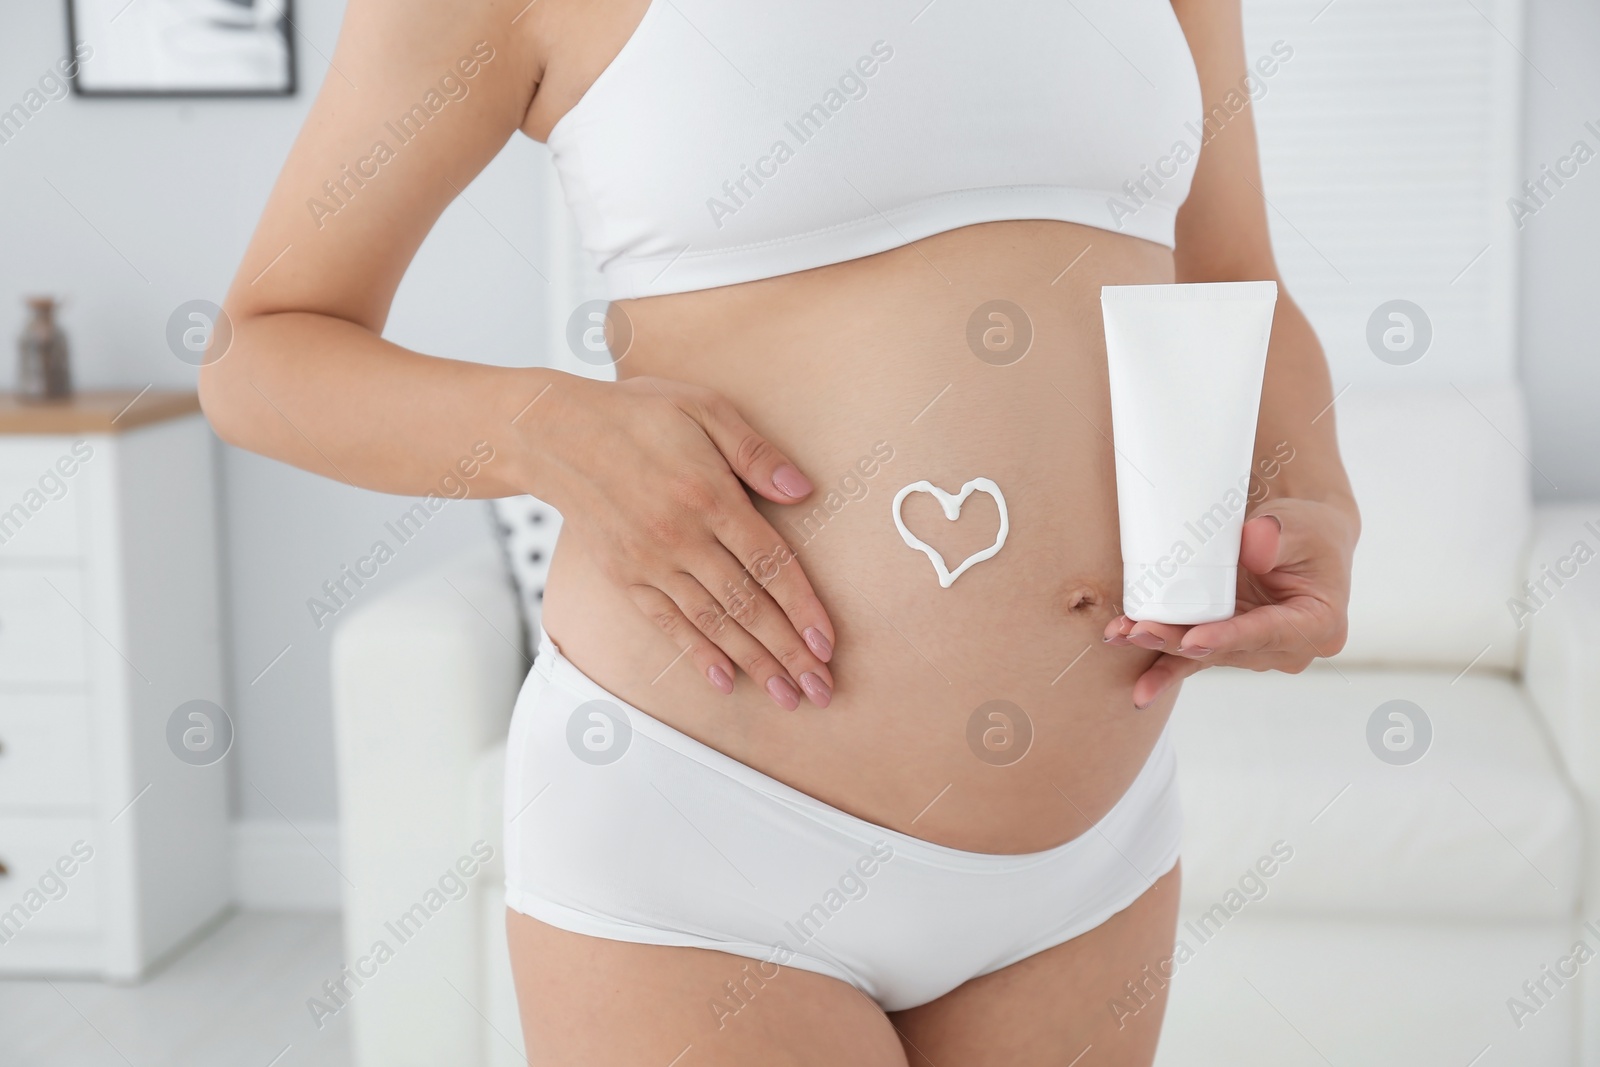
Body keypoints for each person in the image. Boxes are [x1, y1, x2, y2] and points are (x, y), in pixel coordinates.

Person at [201, 0, 1359, 1062]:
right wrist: (546, 426)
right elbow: (260, 355)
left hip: (1092, 848)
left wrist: (1321, 503)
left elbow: (1233, 277)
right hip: (707, 823)